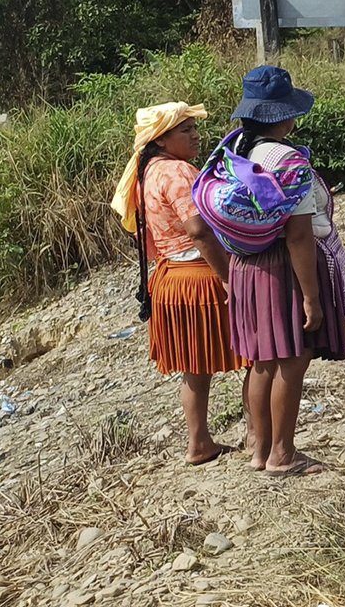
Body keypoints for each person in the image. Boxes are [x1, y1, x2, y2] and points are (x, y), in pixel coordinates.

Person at [206, 66, 345, 474]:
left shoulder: (237, 151)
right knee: (292, 358)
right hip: (282, 269)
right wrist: (311, 297)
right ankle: (283, 454)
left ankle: (260, 451)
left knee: (263, 361)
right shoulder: (288, 161)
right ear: (285, 116)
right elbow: (298, 235)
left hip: (246, 266)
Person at [110, 102, 246, 465]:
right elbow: (198, 230)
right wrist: (229, 278)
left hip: (170, 279)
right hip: (200, 276)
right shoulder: (177, 172)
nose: (196, 135)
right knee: (256, 353)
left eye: (194, 128)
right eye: (186, 130)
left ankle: (199, 443)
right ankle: (260, 437)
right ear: (161, 139)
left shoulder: (146, 173)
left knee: (194, 366)